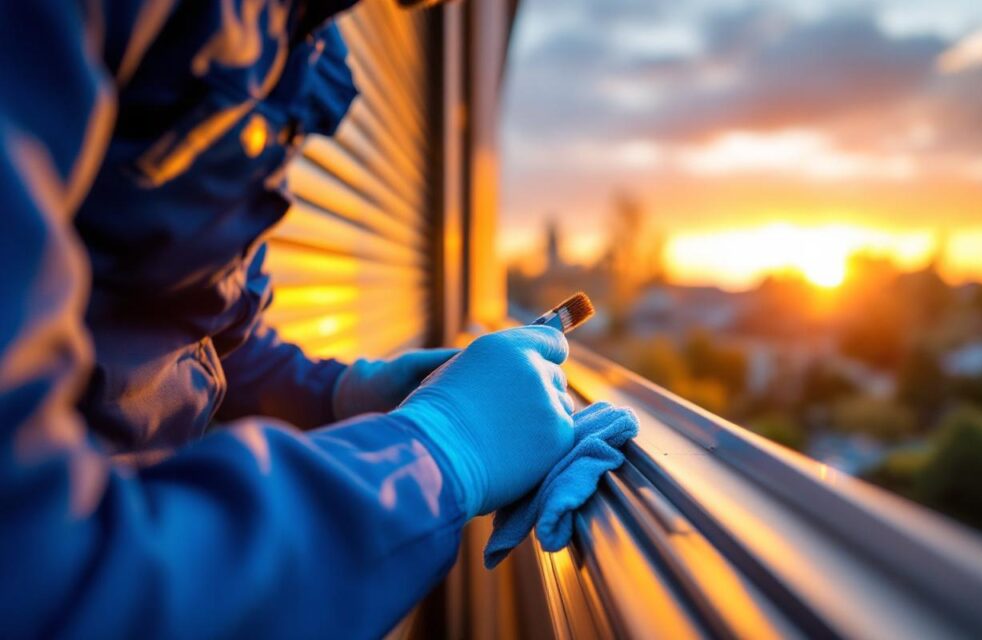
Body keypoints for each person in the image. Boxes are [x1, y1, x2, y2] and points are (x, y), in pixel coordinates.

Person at [0, 1, 611, 637]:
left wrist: (339, 395)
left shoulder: (288, 38)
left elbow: (196, 331)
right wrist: (438, 456)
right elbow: (32, 578)